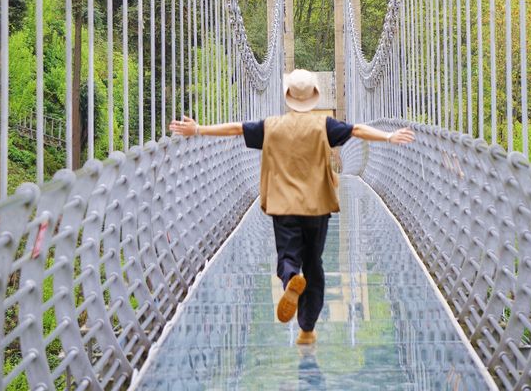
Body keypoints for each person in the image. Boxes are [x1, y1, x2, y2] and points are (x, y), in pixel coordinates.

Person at [170, 68, 415, 346]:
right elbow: (357, 130)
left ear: (288, 96)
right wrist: (388, 136)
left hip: (284, 205)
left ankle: (290, 280)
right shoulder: (325, 125)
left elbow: (237, 128)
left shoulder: (271, 126)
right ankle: (307, 329)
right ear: (313, 96)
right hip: (317, 206)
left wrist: (198, 129)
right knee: (315, 263)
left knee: (288, 256)